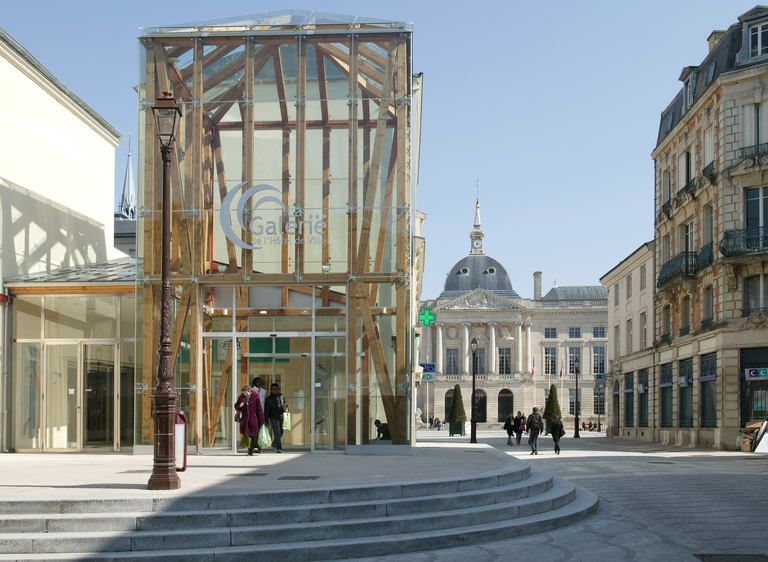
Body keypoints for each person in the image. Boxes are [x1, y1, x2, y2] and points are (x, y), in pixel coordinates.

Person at [234, 385, 265, 456]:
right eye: (244, 393)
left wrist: (262, 420)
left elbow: (259, 409)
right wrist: (239, 406)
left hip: (254, 419)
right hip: (245, 420)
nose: (245, 395)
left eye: (246, 393)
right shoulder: (241, 397)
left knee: (255, 435)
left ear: (249, 391)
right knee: (247, 436)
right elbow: (236, 405)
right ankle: (249, 451)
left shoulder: (255, 396)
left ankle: (257, 447)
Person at [264, 383, 287, 453]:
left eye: (276, 389)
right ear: (271, 390)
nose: (275, 391)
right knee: (277, 432)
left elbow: (286, 404)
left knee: (281, 432)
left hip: (281, 416)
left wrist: (286, 408)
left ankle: (274, 443)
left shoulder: (281, 396)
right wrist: (266, 421)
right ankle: (279, 447)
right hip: (274, 417)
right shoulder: (269, 399)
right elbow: (267, 411)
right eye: (273, 389)